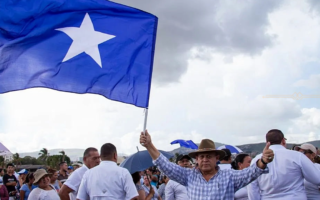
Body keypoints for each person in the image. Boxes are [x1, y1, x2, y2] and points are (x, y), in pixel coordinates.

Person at [140, 130, 274, 200]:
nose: (205, 160)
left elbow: (251, 173)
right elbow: (165, 165)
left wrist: (263, 161)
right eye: (202, 156)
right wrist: (149, 145)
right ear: (197, 159)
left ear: (217, 158)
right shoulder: (189, 176)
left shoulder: (229, 176)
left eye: (209, 156)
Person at [247, 129, 320, 200]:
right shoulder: (297, 156)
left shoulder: (256, 160)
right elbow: (316, 179)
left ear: (267, 142)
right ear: (283, 140)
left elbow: (252, 188)